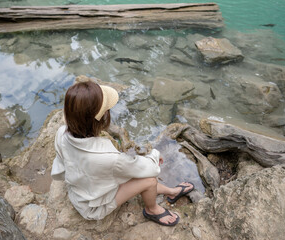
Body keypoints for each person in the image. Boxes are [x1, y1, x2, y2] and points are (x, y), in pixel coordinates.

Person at [51, 80, 194, 226]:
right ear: (101, 118)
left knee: (127, 173)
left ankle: (171, 191)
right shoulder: (108, 158)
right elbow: (149, 169)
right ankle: (152, 209)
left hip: (79, 193)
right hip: (93, 208)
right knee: (149, 180)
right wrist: (155, 154)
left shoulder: (62, 133)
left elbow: (62, 166)